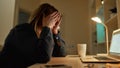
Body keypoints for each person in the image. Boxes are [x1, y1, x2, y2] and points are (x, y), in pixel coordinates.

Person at [0, 3, 66, 68]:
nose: (55, 24)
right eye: (53, 19)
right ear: (42, 17)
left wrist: (56, 34)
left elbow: (61, 53)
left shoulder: (45, 34)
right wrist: (47, 27)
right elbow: (44, 57)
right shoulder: (22, 31)